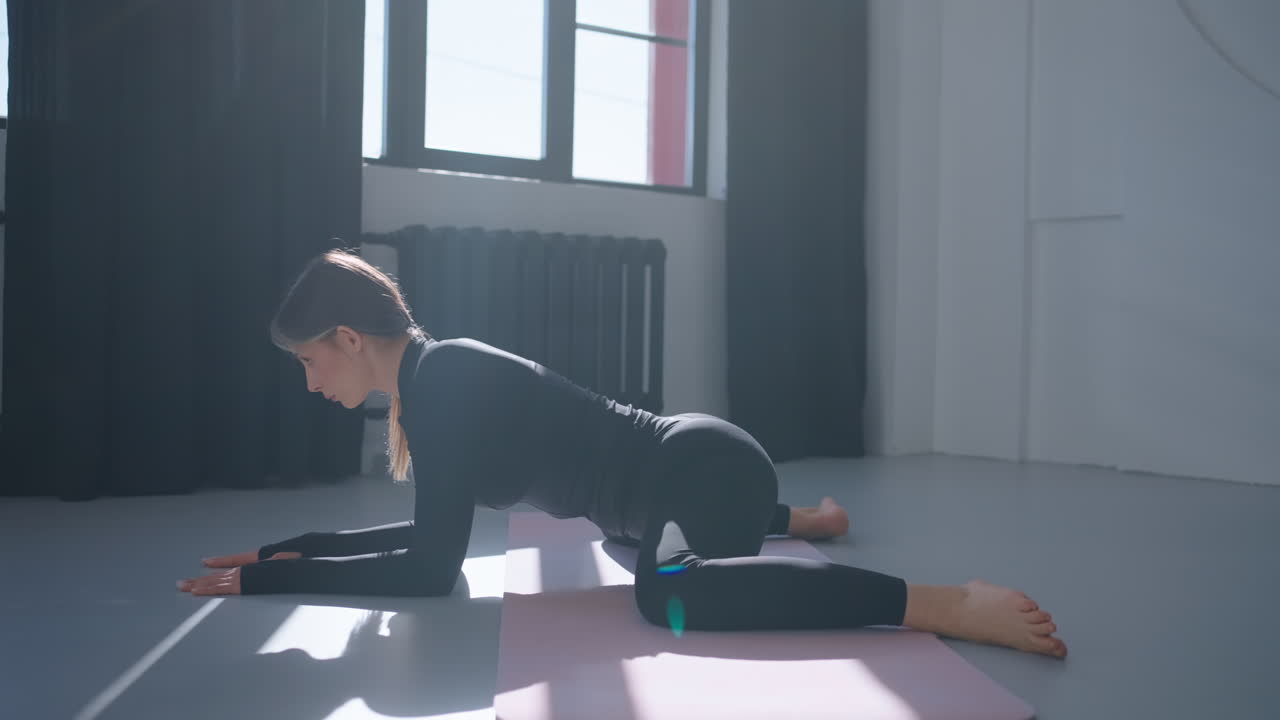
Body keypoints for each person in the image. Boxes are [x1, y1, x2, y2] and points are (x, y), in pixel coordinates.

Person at [178, 249, 1067, 659]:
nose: (308, 383)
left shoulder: (440, 381)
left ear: (343, 337)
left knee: (669, 595)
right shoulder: (429, 382)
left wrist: (273, 577)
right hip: (669, 494)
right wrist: (290, 551)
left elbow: (428, 571)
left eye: (306, 363)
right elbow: (422, 539)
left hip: (701, 466)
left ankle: (944, 602)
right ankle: (800, 521)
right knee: (635, 549)